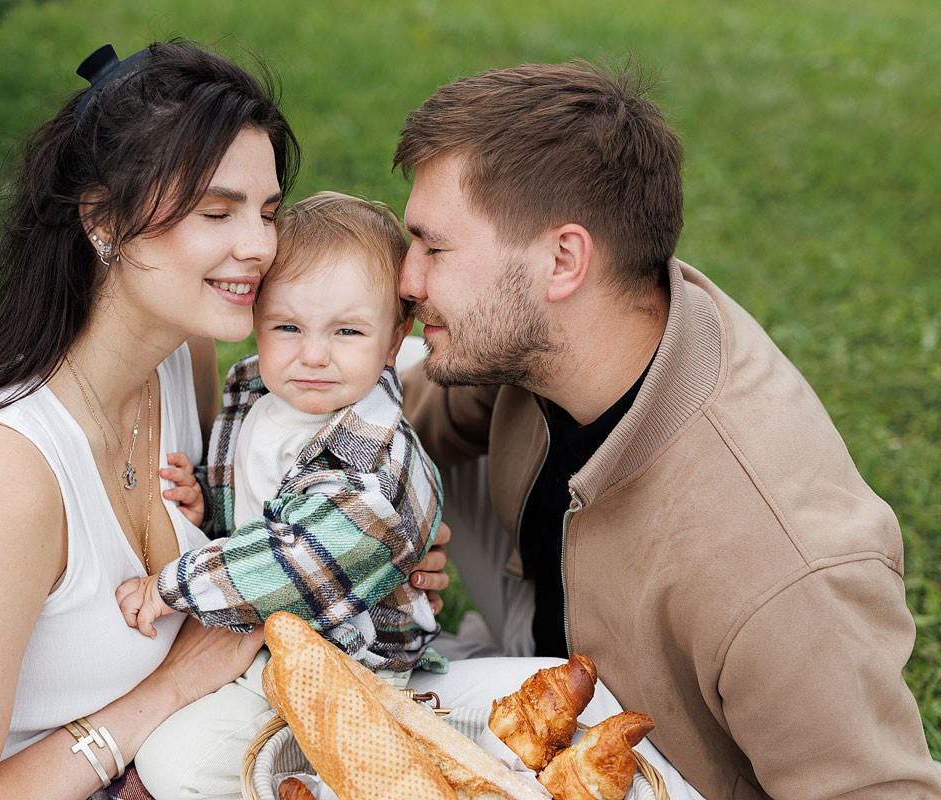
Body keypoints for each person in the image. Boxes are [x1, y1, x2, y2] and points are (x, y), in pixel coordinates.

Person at [391, 59, 941, 798]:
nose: (407, 278)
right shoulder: (573, 330)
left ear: (563, 260)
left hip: (660, 767)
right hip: (547, 638)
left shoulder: (777, 565)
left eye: (435, 248)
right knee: (377, 356)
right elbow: (409, 414)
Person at [0, 39, 310, 799]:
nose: (260, 245)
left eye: (267, 211)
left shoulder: (180, 356)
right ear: (102, 219)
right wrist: (168, 688)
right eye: (216, 211)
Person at [116, 190, 446, 800]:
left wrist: (172, 584)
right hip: (259, 640)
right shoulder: (257, 400)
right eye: (288, 326)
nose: (313, 355)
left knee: (174, 767)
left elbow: (294, 559)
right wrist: (208, 509)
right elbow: (261, 509)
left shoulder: (376, 462)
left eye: (348, 331)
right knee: (148, 722)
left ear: (396, 339)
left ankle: (337, 775)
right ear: (256, 316)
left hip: (348, 669)